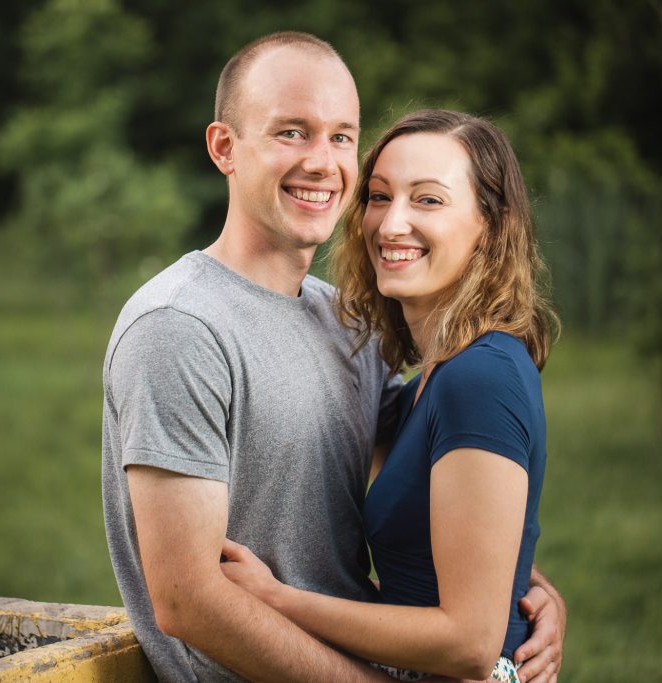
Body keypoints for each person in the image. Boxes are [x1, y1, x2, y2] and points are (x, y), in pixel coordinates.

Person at [102, 32, 565, 682]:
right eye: (291, 132)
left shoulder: (347, 325)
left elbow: (439, 489)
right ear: (224, 148)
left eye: (342, 136)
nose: (322, 161)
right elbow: (188, 600)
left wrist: (527, 590)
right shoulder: (181, 325)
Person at [220, 109, 561, 683]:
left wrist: (278, 600)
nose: (391, 224)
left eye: (427, 200)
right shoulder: (435, 377)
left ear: (491, 226)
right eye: (379, 197)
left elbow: (470, 643)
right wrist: (535, 590)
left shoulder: (481, 377)